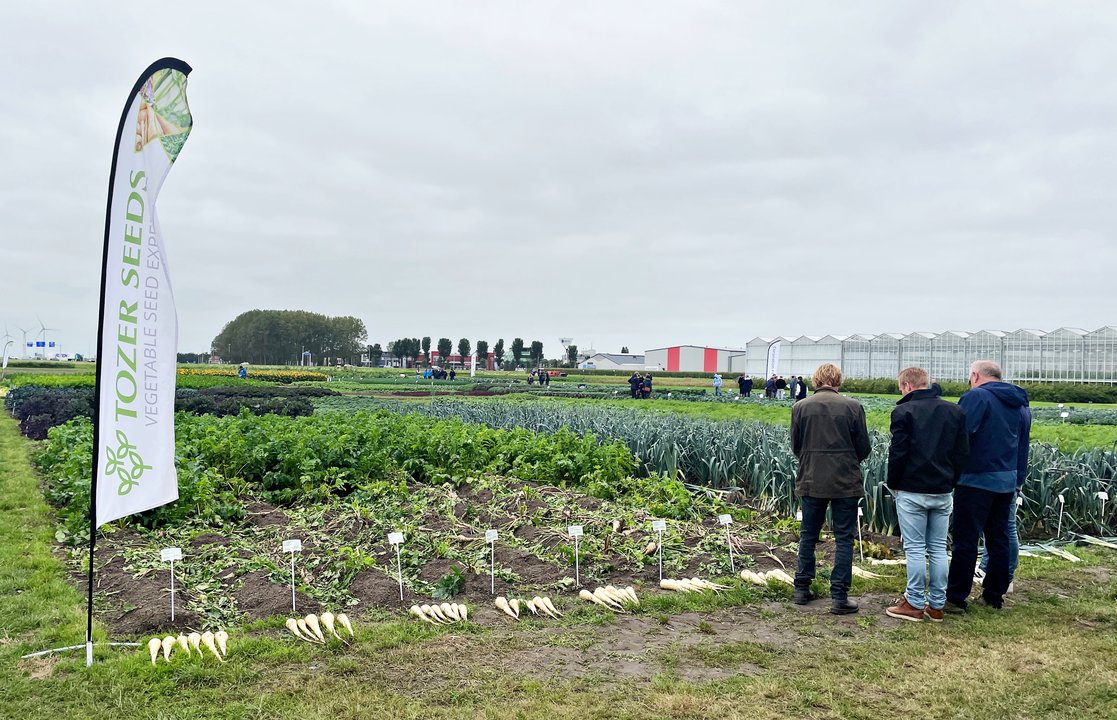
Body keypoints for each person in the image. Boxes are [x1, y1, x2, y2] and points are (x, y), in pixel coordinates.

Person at [945, 360, 1031, 613]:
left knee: (966, 539)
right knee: (998, 538)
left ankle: (956, 598)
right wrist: (1017, 479)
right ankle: (994, 595)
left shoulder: (977, 398)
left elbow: (961, 436)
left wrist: (950, 471)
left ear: (974, 376)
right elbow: (1022, 444)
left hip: (975, 479)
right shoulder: (1019, 403)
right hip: (1006, 480)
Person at [884, 367, 969, 623]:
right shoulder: (954, 410)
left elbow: (898, 452)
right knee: (938, 548)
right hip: (942, 490)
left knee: (915, 548)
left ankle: (914, 602)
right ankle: (937, 605)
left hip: (912, 489)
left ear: (907, 386)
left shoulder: (903, 411)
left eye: (901, 388)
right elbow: (962, 452)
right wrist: (951, 480)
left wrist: (893, 482)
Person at [791, 363, 871, 615]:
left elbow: (796, 445)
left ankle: (801, 589)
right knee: (844, 538)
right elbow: (864, 447)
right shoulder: (853, 407)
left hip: (811, 479)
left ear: (815, 381)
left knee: (808, 535)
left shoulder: (800, 407)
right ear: (838, 381)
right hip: (845, 481)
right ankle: (839, 596)